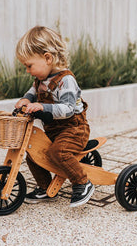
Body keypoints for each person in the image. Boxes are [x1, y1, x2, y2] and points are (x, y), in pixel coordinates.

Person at [15, 25, 94, 207]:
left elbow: (67, 109)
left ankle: (83, 183)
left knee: (58, 152)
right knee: (34, 153)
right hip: (55, 132)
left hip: (74, 129)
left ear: (48, 58)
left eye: (29, 65)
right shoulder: (41, 81)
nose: (27, 70)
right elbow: (31, 93)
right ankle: (45, 187)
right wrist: (25, 100)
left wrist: (41, 107)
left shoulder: (66, 81)